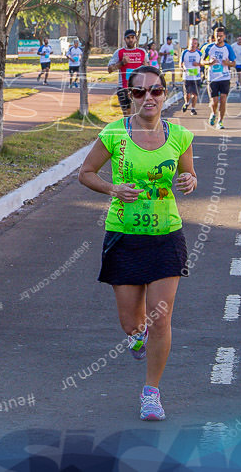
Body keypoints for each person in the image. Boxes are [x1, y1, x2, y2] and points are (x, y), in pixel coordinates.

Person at [78, 65, 197, 421]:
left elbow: (188, 172)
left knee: (161, 319)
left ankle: (151, 393)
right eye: (140, 92)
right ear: (129, 96)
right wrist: (113, 188)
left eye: (156, 91)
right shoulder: (115, 133)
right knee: (132, 322)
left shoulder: (179, 135)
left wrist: (190, 180)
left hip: (166, 236)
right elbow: (85, 173)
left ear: (165, 94)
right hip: (124, 235)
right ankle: (136, 335)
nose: (149, 98)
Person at [108, 29, 148, 116]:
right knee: (127, 115)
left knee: (139, 114)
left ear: (136, 39)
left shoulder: (142, 52)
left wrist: (146, 66)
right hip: (124, 88)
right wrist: (122, 63)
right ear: (124, 39)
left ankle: (136, 129)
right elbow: (110, 69)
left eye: (132, 37)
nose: (130, 40)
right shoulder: (119, 52)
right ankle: (128, 129)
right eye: (128, 38)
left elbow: (148, 69)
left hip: (139, 88)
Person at [202, 26, 235, 130]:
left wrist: (227, 63)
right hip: (213, 78)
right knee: (214, 100)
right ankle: (213, 113)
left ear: (224, 36)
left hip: (224, 78)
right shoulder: (209, 47)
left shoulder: (228, 48)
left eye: (221, 36)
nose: (219, 38)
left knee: (223, 100)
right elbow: (201, 61)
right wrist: (209, 63)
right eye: (217, 36)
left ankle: (220, 121)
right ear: (214, 36)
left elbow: (234, 63)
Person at [179, 38, 202, 115]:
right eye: (192, 44)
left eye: (195, 44)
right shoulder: (184, 52)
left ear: (197, 44)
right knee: (188, 94)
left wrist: (198, 64)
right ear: (189, 44)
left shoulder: (199, 53)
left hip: (196, 77)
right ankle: (186, 103)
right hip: (187, 77)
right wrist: (183, 69)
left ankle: (193, 109)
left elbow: (203, 63)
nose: (193, 45)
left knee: (195, 94)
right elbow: (180, 63)